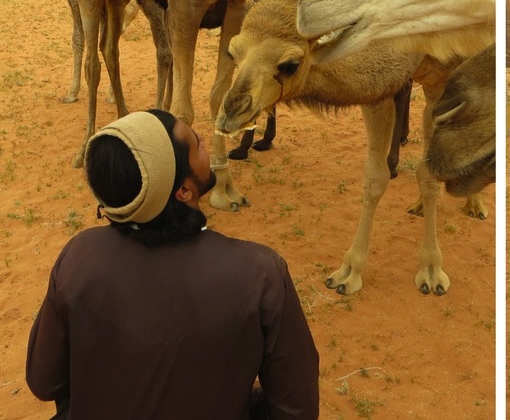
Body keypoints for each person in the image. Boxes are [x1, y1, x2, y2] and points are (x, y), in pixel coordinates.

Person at [26, 109, 320, 419]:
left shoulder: (79, 257)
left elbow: (44, 382)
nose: (204, 138)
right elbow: (296, 409)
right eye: (196, 143)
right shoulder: (260, 274)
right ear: (183, 191)